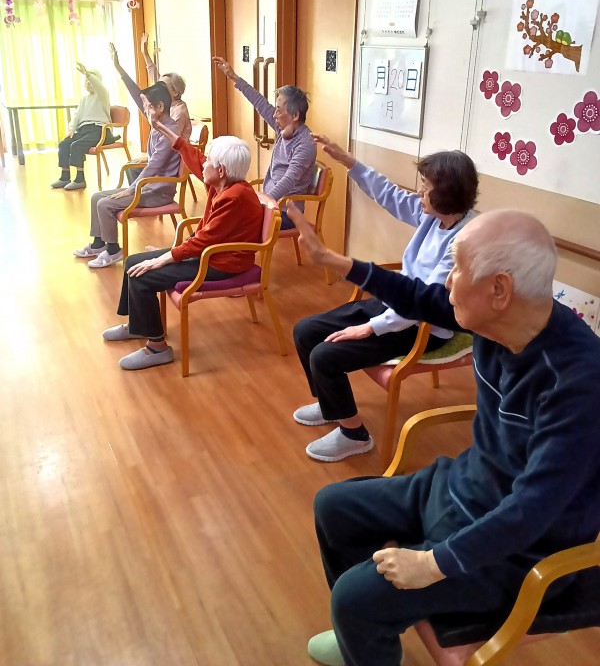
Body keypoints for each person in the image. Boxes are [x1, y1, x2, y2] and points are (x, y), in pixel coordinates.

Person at [286, 203, 600, 666]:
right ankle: (364, 637)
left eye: (457, 269)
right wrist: (335, 261)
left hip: (520, 551)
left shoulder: (577, 383)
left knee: (355, 598)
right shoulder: (500, 320)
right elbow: (418, 297)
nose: (447, 281)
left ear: (499, 289)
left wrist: (433, 564)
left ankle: (361, 622)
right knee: (335, 507)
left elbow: (532, 511)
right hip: (463, 487)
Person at [293, 143, 479, 462]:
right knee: (306, 330)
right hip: (396, 306)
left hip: (424, 326)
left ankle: (354, 435)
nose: (419, 192)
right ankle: (330, 405)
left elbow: (424, 303)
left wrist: (370, 328)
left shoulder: (464, 241)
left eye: (426, 187)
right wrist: (351, 163)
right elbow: (390, 195)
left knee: (325, 355)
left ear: (446, 194)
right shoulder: (435, 215)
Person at [102, 133, 263, 371]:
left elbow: (204, 241)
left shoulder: (234, 197)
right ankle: (138, 325)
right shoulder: (222, 184)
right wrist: (172, 137)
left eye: (209, 161)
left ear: (220, 170)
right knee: (134, 262)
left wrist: (164, 258)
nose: (204, 164)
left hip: (222, 263)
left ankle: (157, 348)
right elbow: (196, 159)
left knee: (143, 276)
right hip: (209, 253)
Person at [73, 81, 181, 268]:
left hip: (158, 193)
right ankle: (98, 244)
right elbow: (153, 160)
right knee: (96, 197)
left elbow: (154, 166)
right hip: (147, 187)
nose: (144, 109)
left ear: (160, 107)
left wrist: (131, 189)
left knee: (105, 204)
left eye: (147, 106)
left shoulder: (169, 131)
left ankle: (113, 250)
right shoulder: (158, 126)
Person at [213, 55, 316, 229]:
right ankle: (192, 244)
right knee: (222, 213)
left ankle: (197, 245)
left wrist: (260, 201)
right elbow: (260, 103)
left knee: (229, 222)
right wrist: (234, 77)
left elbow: (289, 180)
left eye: (278, 110)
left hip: (285, 212)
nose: (274, 115)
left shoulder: (305, 144)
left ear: (295, 115)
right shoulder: (284, 128)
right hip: (269, 204)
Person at [110, 38, 192, 183]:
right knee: (131, 167)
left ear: (175, 92)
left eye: (162, 86)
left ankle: (141, 195)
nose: (157, 89)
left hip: (169, 165)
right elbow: (154, 74)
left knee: (132, 168)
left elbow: (170, 145)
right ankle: (137, 194)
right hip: (160, 155)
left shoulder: (179, 112)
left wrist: (149, 157)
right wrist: (144, 53)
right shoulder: (165, 103)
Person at [51, 62, 111, 190]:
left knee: (76, 146)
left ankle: (80, 179)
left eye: (90, 80)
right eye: (86, 80)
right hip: (84, 130)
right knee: (64, 144)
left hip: (99, 130)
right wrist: (72, 129)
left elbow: (99, 86)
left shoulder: (102, 95)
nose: (88, 82)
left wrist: (87, 74)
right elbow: (76, 116)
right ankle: (65, 176)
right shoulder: (84, 99)